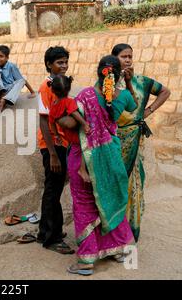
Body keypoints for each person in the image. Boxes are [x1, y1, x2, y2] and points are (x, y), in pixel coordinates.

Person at [62, 55, 137, 276]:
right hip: (112, 159)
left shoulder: (85, 95)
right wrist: (129, 83)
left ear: (98, 71)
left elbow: (71, 123)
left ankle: (86, 260)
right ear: (116, 74)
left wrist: (58, 112)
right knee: (110, 201)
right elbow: (133, 107)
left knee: (85, 206)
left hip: (85, 161)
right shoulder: (122, 96)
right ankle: (121, 248)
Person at [112, 43, 171, 242]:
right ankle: (112, 231)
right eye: (123, 56)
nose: (127, 60)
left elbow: (165, 91)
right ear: (114, 59)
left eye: (130, 56)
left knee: (133, 183)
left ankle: (130, 229)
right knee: (114, 182)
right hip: (113, 140)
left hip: (134, 140)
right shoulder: (107, 83)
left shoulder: (142, 82)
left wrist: (150, 110)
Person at [36, 46, 74, 254]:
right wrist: (52, 154)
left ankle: (46, 231)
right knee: (53, 190)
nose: (64, 66)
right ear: (49, 64)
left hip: (61, 143)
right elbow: (43, 121)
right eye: (60, 62)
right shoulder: (46, 87)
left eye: (66, 62)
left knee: (53, 188)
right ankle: (52, 238)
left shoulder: (60, 85)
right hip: (52, 144)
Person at [47, 75, 91, 183]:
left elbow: (51, 123)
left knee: (75, 150)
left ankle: (71, 171)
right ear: (69, 88)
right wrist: (85, 124)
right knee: (85, 146)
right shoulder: (69, 101)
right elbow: (74, 113)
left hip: (68, 136)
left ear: (52, 90)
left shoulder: (53, 106)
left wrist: (56, 135)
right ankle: (82, 169)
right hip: (76, 134)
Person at [0, 45, 36, 113]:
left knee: (21, 80)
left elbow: (22, 80)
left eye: (1, 56)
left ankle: (2, 101)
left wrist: (32, 92)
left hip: (8, 92)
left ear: (7, 58)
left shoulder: (12, 66)